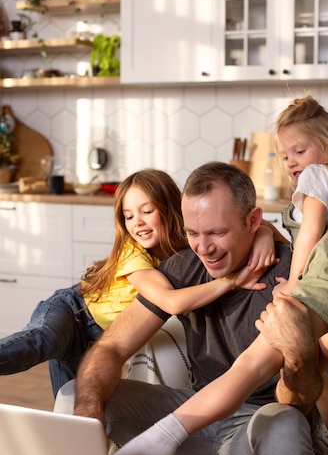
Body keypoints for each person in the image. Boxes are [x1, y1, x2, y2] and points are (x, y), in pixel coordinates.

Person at [109, 96, 328, 455]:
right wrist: (268, 234)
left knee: (251, 363)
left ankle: (167, 434)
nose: (291, 163)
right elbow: (320, 238)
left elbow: (311, 234)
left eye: (299, 151)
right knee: (317, 374)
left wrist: (294, 284)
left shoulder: (318, 177)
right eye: (285, 155)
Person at [72, 161, 320, 455]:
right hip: (193, 410)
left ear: (253, 221)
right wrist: (88, 414)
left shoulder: (292, 275)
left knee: (288, 423)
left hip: (256, 423)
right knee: (78, 394)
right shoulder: (183, 268)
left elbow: (303, 400)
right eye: (192, 233)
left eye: (217, 233)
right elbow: (111, 348)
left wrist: (300, 358)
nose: (203, 248)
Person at [1, 168, 274, 397]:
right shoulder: (132, 252)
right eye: (128, 216)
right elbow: (170, 302)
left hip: (98, 338)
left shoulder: (188, 244)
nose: (137, 223)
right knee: (40, 341)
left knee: (74, 414)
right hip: (73, 313)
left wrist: (262, 232)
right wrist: (232, 281)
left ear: (170, 208)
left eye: (146, 211)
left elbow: (254, 224)